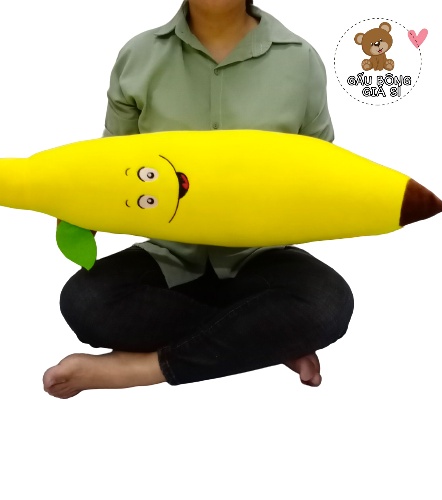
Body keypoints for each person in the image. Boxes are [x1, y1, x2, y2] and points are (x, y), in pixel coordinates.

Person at [43, 0, 354, 399]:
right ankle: (267, 340)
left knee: (327, 305)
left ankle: (142, 369)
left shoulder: (300, 60)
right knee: (85, 301)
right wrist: (79, 207)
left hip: (259, 257)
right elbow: (113, 164)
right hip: (169, 256)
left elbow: (321, 169)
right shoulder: (139, 55)